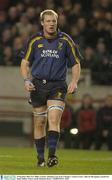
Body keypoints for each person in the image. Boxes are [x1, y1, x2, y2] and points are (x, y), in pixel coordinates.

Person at [20, 9, 81, 167]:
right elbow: (25, 63)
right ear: (42, 23)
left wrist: (74, 81)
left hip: (58, 85)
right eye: (48, 21)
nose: (51, 24)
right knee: (39, 122)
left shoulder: (66, 40)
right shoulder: (35, 40)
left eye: (53, 21)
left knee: (54, 119)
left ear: (57, 22)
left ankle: (52, 156)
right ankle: (40, 158)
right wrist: (27, 80)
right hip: (38, 85)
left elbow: (75, 63)